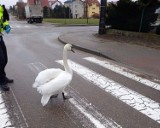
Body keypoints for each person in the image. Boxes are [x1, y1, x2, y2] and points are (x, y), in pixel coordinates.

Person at [0, 5, 13, 91]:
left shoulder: (1, 9)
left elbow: (3, 21)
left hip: (0, 38)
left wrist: (6, 26)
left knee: (5, 59)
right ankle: (1, 81)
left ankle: (3, 76)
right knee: (1, 60)